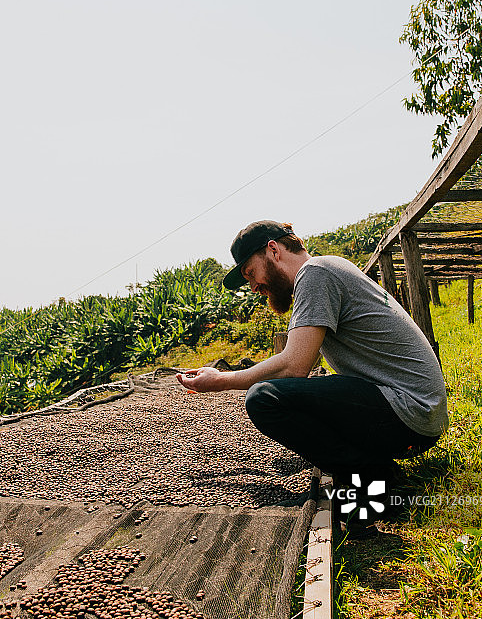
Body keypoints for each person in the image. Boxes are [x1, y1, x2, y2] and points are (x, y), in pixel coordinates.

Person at [177, 220, 449, 533]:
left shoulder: (316, 274)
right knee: (294, 397)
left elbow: (293, 366)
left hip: (410, 412)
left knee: (264, 399)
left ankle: (377, 478)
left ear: (273, 251)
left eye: (251, 274)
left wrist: (222, 380)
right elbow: (297, 364)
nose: (253, 287)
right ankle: (372, 472)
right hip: (418, 415)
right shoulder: (328, 270)